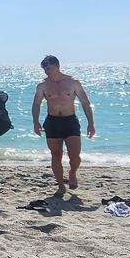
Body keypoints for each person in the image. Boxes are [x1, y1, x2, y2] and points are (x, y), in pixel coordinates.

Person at [31, 55, 95, 196]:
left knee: (74, 155)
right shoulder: (42, 85)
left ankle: (72, 172)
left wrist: (91, 123)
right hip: (52, 122)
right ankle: (60, 185)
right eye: (44, 69)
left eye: (48, 68)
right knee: (56, 154)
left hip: (70, 121)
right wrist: (36, 122)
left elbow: (85, 102)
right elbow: (36, 104)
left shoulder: (73, 82)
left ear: (57, 66)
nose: (46, 72)